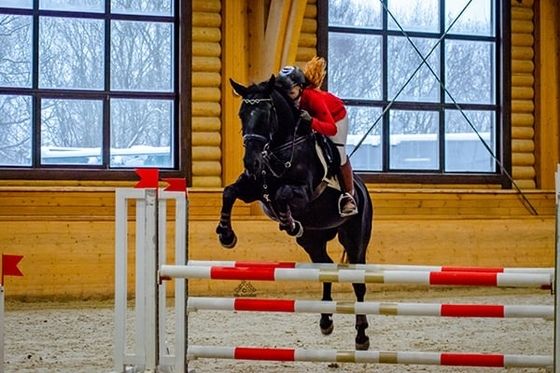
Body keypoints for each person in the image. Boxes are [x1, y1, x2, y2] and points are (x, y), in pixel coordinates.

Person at [277, 57, 358, 217]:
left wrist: (311, 121)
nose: (287, 97)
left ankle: (348, 196)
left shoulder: (313, 98)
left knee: (338, 153)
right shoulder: (287, 98)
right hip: (312, 118)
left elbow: (331, 129)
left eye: (291, 92)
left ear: (300, 89)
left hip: (335, 118)